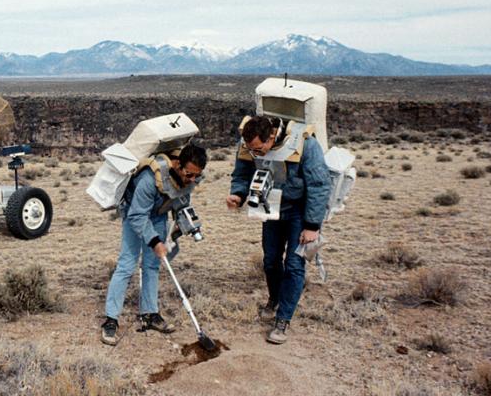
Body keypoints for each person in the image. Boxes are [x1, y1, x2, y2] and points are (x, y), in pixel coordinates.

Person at [226, 116, 330, 344]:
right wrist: (238, 194)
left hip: (299, 211)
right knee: (271, 260)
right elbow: (242, 174)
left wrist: (312, 225)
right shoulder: (249, 146)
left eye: (259, 148)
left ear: (272, 137)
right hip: (271, 207)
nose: (256, 154)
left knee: (294, 264)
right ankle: (274, 298)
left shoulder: (305, 144)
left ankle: (283, 320)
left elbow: (319, 184)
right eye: (252, 150)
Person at [101, 142, 208, 346]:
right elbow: (137, 215)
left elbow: (181, 201)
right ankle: (111, 320)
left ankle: (149, 314)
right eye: (189, 174)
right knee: (127, 264)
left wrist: (180, 226)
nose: (192, 179)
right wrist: (154, 240)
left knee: (152, 265)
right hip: (134, 213)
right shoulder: (150, 179)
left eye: (196, 176)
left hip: (159, 215)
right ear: (178, 165)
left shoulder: (189, 178)